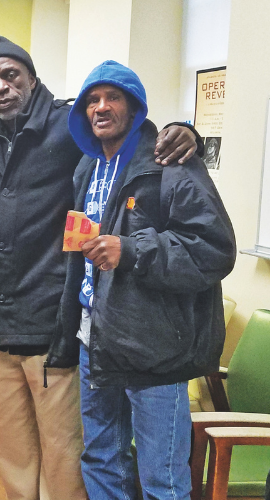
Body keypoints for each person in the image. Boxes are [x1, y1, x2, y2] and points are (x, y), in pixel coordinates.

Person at [0, 35, 203, 500]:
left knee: (67, 460)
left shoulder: (67, 126)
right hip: (3, 329)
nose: (1, 86)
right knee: (17, 456)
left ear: (33, 78)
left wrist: (186, 129)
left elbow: (133, 135)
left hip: (53, 328)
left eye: (11, 75)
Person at [58, 59, 236, 499]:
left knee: (162, 477)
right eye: (92, 101)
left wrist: (132, 249)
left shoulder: (171, 164)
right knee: (101, 459)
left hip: (154, 347)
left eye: (112, 97)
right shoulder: (86, 167)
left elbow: (214, 250)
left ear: (134, 108)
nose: (101, 107)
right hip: (94, 338)